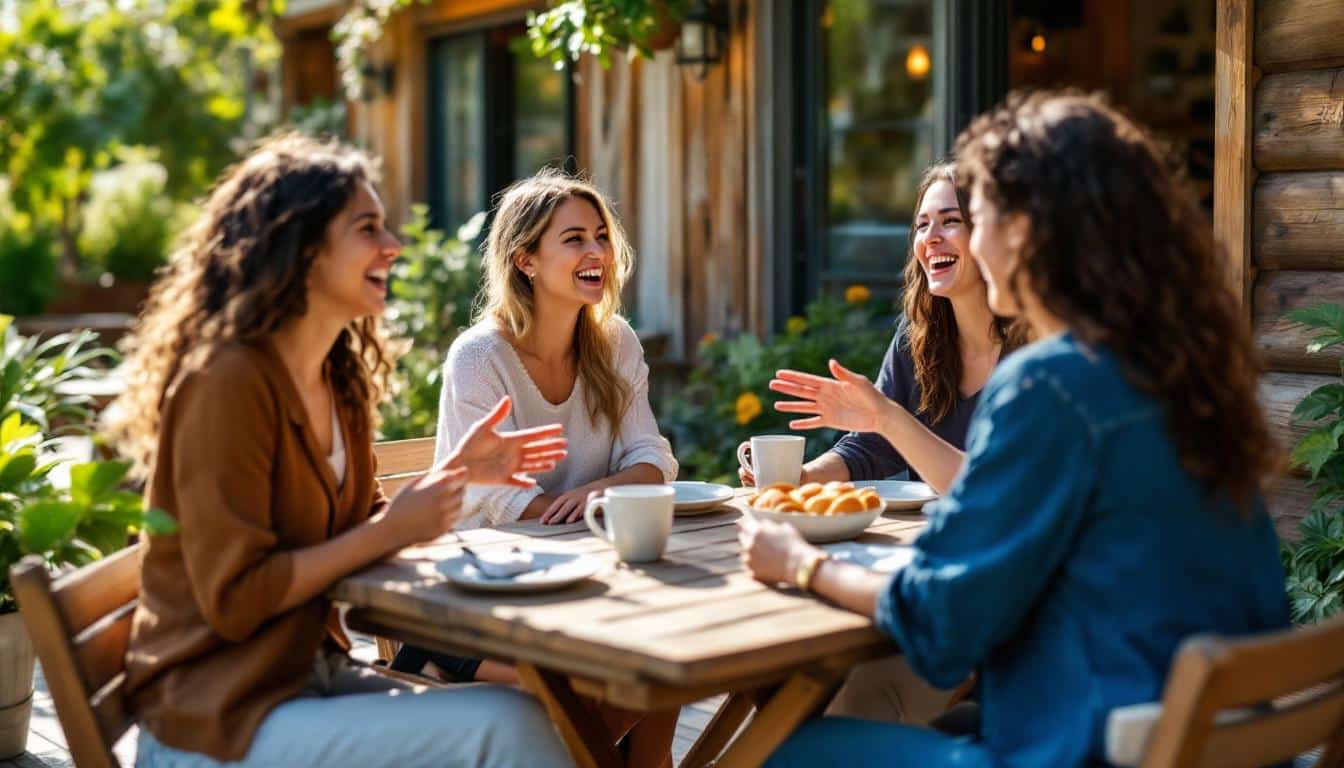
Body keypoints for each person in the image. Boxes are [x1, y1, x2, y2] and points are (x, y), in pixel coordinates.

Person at [741, 90, 1290, 767]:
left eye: (976, 214)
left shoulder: (1051, 385)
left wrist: (803, 563)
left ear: (1026, 230)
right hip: (1200, 739)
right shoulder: (1182, 375)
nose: (956, 236)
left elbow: (940, 621)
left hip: (1085, 746)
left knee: (789, 752)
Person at [109, 134, 574, 768]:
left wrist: (457, 475)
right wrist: (394, 526)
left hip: (304, 678)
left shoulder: (338, 375)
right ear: (299, 247)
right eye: (367, 228)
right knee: (507, 727)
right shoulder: (226, 384)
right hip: (215, 717)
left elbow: (362, 530)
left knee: (533, 713)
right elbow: (238, 596)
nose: (393, 246)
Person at [398, 168, 678, 766]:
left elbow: (652, 456)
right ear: (526, 260)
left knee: (663, 671)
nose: (596, 250)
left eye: (601, 235)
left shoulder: (617, 343)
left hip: (590, 591)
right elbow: (494, 502)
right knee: (602, 692)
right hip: (481, 606)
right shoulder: (479, 357)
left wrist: (600, 492)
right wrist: (604, 511)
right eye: (574, 239)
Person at [739, 162, 1018, 492]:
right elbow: (872, 446)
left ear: (991, 235)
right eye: (922, 225)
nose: (931, 238)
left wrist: (887, 418)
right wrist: (803, 478)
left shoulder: (1038, 351)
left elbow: (1003, 486)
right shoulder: (917, 338)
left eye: (951, 221)